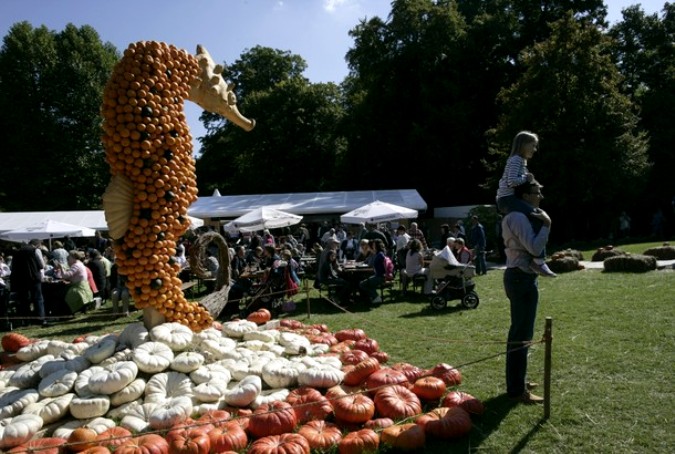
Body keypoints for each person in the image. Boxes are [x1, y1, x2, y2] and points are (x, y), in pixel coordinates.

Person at [502, 180, 551, 404]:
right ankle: (516, 389)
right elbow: (534, 247)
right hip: (521, 278)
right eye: (537, 192)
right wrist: (547, 225)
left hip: (520, 277)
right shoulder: (519, 217)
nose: (540, 195)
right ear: (525, 196)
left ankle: (518, 381)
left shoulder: (515, 215)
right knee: (521, 335)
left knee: (521, 334)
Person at [496, 131, 556, 277]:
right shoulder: (516, 159)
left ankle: (535, 258)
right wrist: (526, 177)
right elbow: (511, 181)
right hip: (507, 199)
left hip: (509, 199)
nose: (535, 149)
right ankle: (539, 260)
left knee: (535, 215)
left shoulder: (521, 161)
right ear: (523, 145)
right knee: (537, 216)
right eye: (533, 145)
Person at [10, 239, 46, 326]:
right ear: (36, 245)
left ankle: (26, 320)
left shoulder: (16, 253)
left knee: (24, 300)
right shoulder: (35, 251)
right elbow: (41, 265)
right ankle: (40, 319)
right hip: (34, 278)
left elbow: (12, 267)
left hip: (21, 279)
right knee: (38, 299)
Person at [54, 250, 94, 314]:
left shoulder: (76, 265)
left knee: (63, 294)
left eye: (69, 257)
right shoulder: (80, 264)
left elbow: (65, 276)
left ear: (73, 257)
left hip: (79, 288)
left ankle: (63, 312)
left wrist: (61, 267)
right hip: (83, 287)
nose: (68, 259)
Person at [359, 239, 386, 304]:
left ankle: (376, 297)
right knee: (364, 284)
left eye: (373, 245)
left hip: (380, 276)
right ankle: (373, 297)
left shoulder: (380, 255)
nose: (372, 246)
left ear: (376, 246)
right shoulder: (377, 254)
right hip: (377, 275)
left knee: (362, 284)